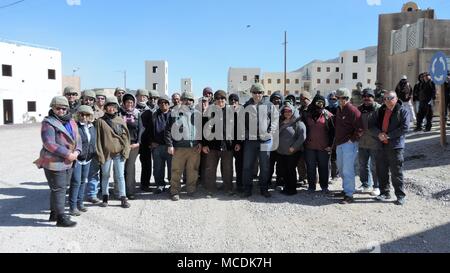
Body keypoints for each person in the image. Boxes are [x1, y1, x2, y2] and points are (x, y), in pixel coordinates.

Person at [34, 96, 81, 227]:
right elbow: (49, 143)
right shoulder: (48, 122)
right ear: (53, 108)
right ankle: (61, 217)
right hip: (54, 161)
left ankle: (53, 213)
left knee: (59, 188)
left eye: (63, 108)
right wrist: (68, 154)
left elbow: (78, 138)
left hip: (69, 160)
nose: (61, 110)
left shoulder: (71, 121)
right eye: (58, 108)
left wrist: (77, 151)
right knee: (59, 188)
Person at [370, 91, 410, 205]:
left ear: (396, 99)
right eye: (385, 98)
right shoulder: (380, 111)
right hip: (381, 146)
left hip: (395, 147)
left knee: (396, 172)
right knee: (381, 171)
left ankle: (400, 196)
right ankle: (384, 193)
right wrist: (378, 134)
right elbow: (371, 125)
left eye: (390, 98)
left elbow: (405, 128)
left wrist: (388, 135)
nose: (387, 100)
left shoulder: (403, 111)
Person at [241, 83, 278, 198]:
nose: (257, 95)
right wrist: (246, 134)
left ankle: (264, 188)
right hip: (250, 141)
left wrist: (270, 132)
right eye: (255, 92)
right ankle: (247, 189)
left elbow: (275, 119)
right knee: (247, 166)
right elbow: (241, 122)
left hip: (264, 141)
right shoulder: (246, 105)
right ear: (251, 93)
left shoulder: (269, 105)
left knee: (265, 166)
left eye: (260, 92)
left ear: (263, 93)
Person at [202, 90, 241, 196]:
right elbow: (204, 129)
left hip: (227, 146)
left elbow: (236, 128)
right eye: (218, 99)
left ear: (225, 100)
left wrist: (237, 143)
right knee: (210, 168)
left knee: (228, 169)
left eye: (222, 98)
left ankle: (228, 188)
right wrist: (204, 144)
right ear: (215, 100)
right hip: (212, 146)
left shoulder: (231, 112)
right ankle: (210, 189)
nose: (220, 101)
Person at [165, 92, 202, 201]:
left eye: (190, 100)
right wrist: (170, 145)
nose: (188, 102)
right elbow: (167, 130)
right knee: (176, 170)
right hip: (179, 148)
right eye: (185, 99)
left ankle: (191, 189)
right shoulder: (174, 112)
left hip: (194, 148)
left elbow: (201, 129)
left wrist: (200, 142)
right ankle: (174, 191)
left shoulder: (197, 113)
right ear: (181, 100)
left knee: (193, 170)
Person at [96, 97, 131, 208]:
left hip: (118, 153)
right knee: (105, 175)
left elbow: (126, 138)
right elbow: (98, 139)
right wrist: (100, 154)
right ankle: (105, 197)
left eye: (114, 106)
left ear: (117, 108)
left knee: (120, 176)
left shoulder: (120, 120)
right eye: (109, 106)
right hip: (106, 153)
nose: (111, 108)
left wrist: (126, 151)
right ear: (105, 107)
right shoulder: (100, 121)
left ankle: (123, 197)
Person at [334, 88, 363, 204]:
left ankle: (349, 194)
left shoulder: (352, 110)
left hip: (348, 144)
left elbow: (360, 129)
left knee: (348, 169)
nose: (340, 100)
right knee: (341, 168)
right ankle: (346, 189)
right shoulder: (339, 110)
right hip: (339, 143)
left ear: (347, 98)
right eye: (338, 98)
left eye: (343, 98)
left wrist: (352, 139)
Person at [303, 95, 335, 194]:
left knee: (324, 167)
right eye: (318, 102)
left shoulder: (328, 115)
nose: (320, 105)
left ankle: (324, 186)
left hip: (324, 147)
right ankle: (311, 186)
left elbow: (332, 132)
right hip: (309, 147)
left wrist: (330, 145)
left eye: (322, 103)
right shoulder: (307, 115)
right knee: (310, 167)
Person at [69, 105, 96, 216]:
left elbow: (93, 141)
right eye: (82, 114)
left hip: (88, 158)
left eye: (87, 115)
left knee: (83, 181)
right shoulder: (74, 126)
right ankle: (73, 206)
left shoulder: (91, 126)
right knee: (75, 182)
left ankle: (80, 203)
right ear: (78, 115)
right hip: (77, 158)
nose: (84, 117)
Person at [277, 103, 306, 195]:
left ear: (293, 112)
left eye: (289, 111)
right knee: (284, 170)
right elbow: (275, 133)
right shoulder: (281, 122)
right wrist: (282, 125)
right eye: (285, 111)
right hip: (281, 151)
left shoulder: (298, 123)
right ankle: (286, 187)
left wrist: (293, 147)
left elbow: (302, 137)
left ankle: (292, 189)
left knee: (291, 169)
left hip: (293, 152)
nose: (287, 113)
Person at [357, 89, 381, 197]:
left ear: (373, 97)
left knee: (375, 165)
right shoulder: (359, 109)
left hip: (375, 142)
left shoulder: (379, 109)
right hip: (362, 142)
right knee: (362, 165)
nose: (366, 99)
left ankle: (377, 186)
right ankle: (365, 184)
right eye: (364, 96)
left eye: (369, 96)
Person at [120, 94, 143, 200]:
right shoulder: (119, 114)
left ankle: (130, 191)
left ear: (134, 103)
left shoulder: (137, 114)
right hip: (121, 145)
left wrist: (138, 142)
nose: (129, 104)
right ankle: (120, 191)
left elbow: (141, 129)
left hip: (133, 145)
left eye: (131, 102)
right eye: (127, 102)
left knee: (130, 168)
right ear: (124, 103)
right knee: (119, 168)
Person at [148, 95, 172, 194]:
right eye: (161, 103)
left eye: (165, 103)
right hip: (157, 146)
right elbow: (148, 130)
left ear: (169, 104)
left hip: (170, 146)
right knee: (158, 167)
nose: (163, 105)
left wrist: (174, 144)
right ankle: (160, 185)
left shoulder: (174, 115)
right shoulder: (154, 115)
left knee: (172, 167)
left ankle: (172, 185)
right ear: (158, 104)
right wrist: (151, 142)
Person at [139, 90, 159, 192]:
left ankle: (158, 182)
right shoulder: (143, 110)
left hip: (157, 142)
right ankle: (144, 184)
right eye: (151, 98)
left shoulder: (160, 110)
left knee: (157, 164)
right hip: (145, 141)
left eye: (155, 98)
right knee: (146, 164)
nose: (153, 100)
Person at [229, 93, 244, 192]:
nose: (233, 102)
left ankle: (239, 184)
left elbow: (243, 129)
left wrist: (239, 142)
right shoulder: (226, 111)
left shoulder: (242, 112)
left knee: (239, 165)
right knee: (227, 165)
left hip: (239, 143)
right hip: (228, 143)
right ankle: (228, 184)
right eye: (231, 101)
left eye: (235, 101)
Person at [269, 91, 284, 189]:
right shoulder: (267, 110)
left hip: (281, 141)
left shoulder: (285, 110)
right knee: (269, 162)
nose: (276, 100)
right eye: (274, 98)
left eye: (278, 98)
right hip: (270, 141)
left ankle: (280, 180)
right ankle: (267, 180)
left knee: (280, 163)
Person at [326, 91, 339, 181]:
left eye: (334, 99)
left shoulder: (339, 109)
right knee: (326, 157)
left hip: (337, 135)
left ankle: (335, 175)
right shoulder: (325, 108)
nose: (332, 100)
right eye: (331, 99)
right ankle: (326, 175)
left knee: (334, 157)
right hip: (326, 135)